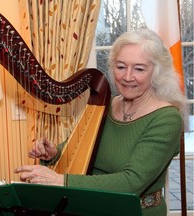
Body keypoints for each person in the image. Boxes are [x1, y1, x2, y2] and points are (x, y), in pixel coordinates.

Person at [14, 29, 188, 216]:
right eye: (121, 67)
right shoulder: (107, 103)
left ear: (156, 72)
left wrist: (60, 181)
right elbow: (77, 148)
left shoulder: (167, 119)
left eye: (139, 69)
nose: (128, 77)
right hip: (90, 207)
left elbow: (132, 182)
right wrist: (53, 153)